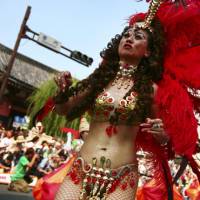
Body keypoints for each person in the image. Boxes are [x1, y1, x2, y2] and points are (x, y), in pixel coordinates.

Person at [33, 1, 200, 200]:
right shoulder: (99, 81)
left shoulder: (151, 90)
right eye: (126, 35)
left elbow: (161, 139)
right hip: (81, 168)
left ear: (147, 51)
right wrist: (62, 93)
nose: (129, 39)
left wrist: (162, 134)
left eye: (138, 37)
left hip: (122, 176)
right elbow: (63, 110)